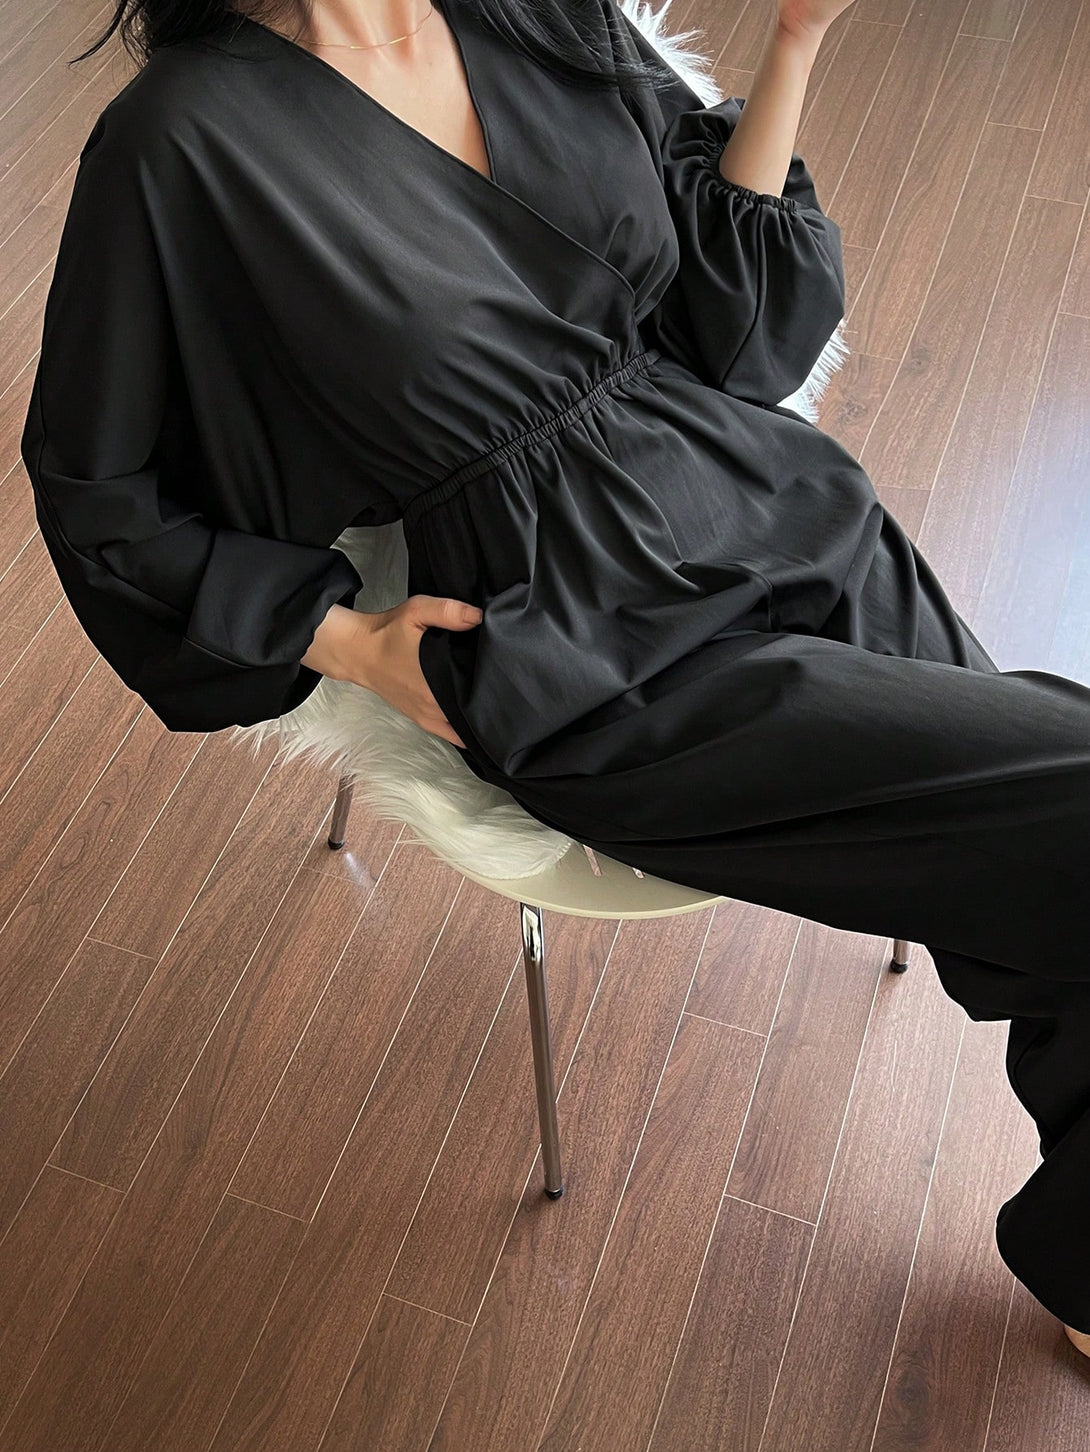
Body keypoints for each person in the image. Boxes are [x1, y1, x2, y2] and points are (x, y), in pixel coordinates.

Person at [20, 0, 1090, 1357]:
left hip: (778, 509)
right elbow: (98, 493)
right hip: (587, 654)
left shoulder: (533, 14)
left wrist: (794, 44)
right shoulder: (180, 141)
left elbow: (729, 333)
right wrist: (343, 642)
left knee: (1054, 869)